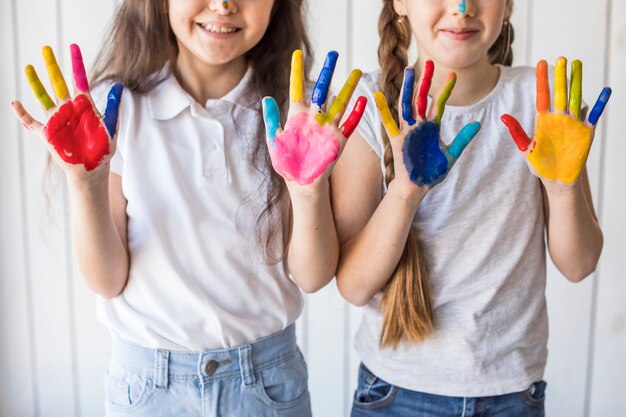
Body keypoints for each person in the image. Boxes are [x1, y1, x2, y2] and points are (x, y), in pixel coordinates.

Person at [10, 0, 364, 415]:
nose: (223, 5)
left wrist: (308, 192)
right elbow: (107, 280)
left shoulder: (294, 116)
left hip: (266, 386)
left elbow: (311, 275)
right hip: (148, 388)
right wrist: (87, 184)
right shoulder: (112, 110)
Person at [331, 0, 610, 415]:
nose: (462, 7)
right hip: (395, 394)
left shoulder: (542, 104)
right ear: (400, 5)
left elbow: (578, 264)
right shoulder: (371, 108)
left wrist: (563, 188)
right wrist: (406, 193)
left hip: (513, 393)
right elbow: (353, 286)